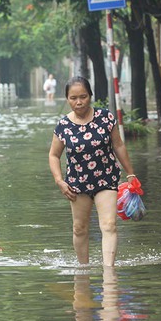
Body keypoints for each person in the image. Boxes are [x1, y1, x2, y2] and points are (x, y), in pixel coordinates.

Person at [48, 76, 137, 267]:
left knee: (109, 225)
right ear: (67, 99)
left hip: (106, 178)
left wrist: (130, 173)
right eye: (73, 98)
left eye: (83, 96)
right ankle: (83, 270)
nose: (79, 102)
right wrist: (59, 181)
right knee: (79, 228)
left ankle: (109, 271)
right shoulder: (63, 126)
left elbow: (119, 146)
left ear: (90, 96)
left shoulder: (106, 118)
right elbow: (54, 155)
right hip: (77, 184)